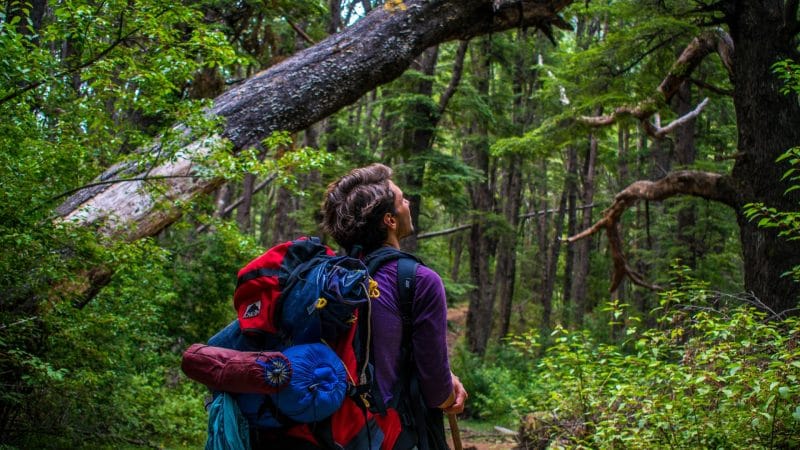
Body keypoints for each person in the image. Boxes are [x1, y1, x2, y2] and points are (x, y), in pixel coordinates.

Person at [321, 163, 468, 449]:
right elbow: (437, 392)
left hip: (331, 431)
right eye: (402, 200)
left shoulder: (333, 277)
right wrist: (452, 393)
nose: (408, 203)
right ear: (389, 220)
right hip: (388, 433)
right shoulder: (420, 280)